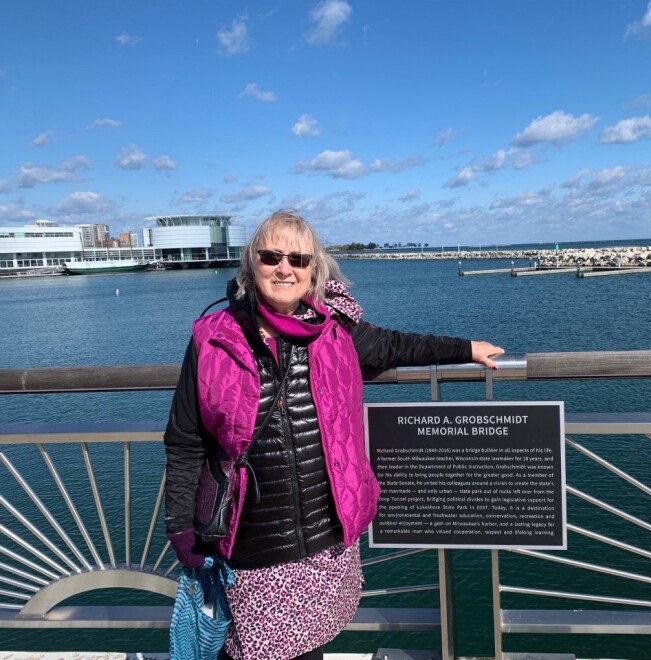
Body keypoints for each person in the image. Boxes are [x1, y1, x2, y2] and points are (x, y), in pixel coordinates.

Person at [164, 210, 504, 660]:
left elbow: (396, 346)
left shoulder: (333, 330)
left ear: (313, 273)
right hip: (251, 542)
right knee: (248, 650)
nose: (284, 268)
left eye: (298, 259)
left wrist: (466, 350)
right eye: (271, 256)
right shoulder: (213, 339)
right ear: (251, 264)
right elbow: (186, 440)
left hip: (325, 535)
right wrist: (180, 528)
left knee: (311, 649)